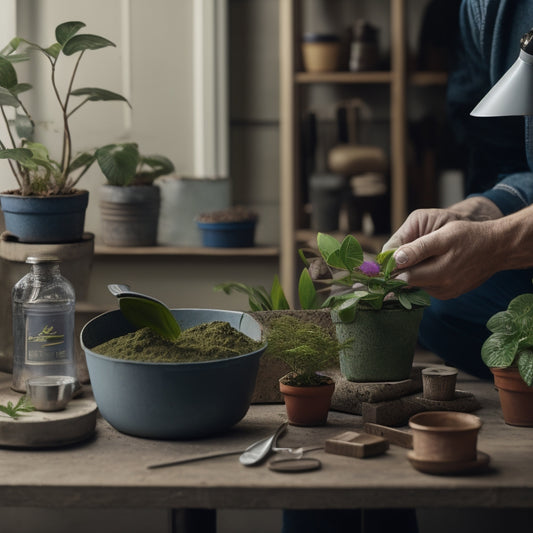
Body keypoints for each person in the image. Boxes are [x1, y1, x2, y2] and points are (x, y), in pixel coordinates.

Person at [383, 0, 533, 380]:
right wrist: (475, 214)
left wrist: (500, 244)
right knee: (439, 304)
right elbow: (510, 161)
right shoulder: (486, 8)